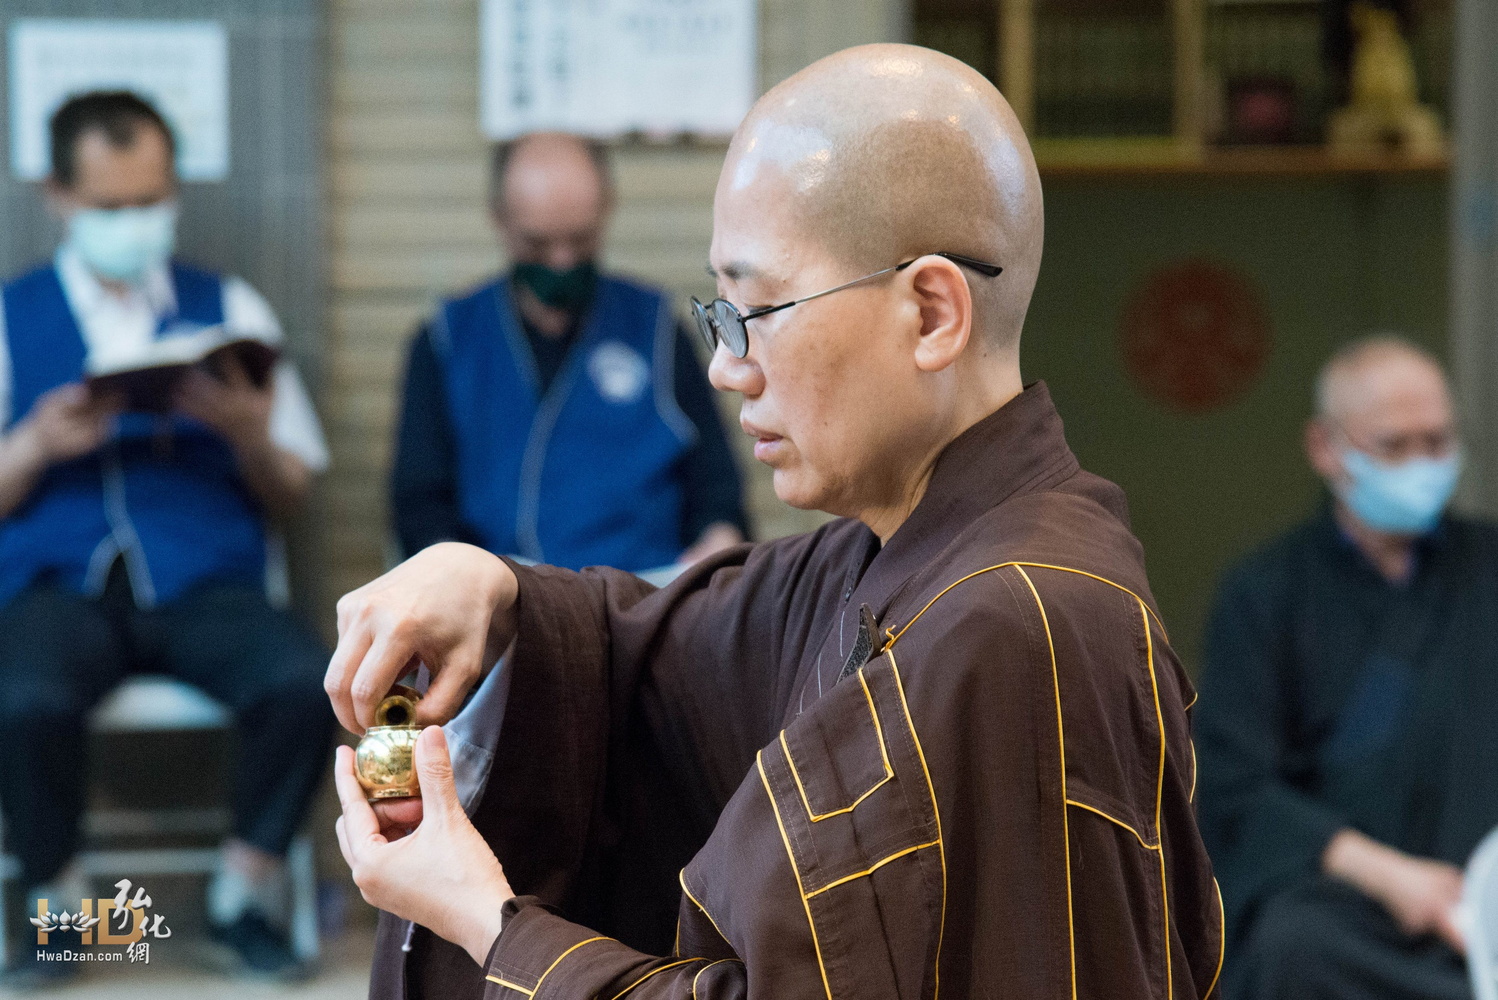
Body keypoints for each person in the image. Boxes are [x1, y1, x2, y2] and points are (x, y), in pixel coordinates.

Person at [329, 44, 1224, 999]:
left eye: (759, 308)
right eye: (721, 314)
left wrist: (486, 920)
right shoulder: (872, 560)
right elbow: (640, 660)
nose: (727, 366)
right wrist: (496, 593)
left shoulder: (1023, 629)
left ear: (930, 313)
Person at [0, 91, 333, 981]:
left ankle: (243, 896)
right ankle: (57, 910)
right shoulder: (10, 316)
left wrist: (245, 429)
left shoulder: (228, 308)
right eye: (111, 206)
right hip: (58, 590)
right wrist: (32, 444)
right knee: (21, 698)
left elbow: (292, 489)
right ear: (57, 195)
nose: (134, 222)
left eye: (150, 199)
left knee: (307, 683)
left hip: (205, 587)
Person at [1196, 335, 1498, 1000]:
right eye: (1394, 446)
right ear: (1325, 448)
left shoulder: (1489, 568)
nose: (1422, 462)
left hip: (1490, 900)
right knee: (1287, 946)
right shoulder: (1267, 593)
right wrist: (1390, 877)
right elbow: (1237, 782)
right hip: (1350, 909)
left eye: (1439, 441)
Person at [391, 132, 748, 574]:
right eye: (539, 245)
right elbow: (419, 510)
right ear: (500, 220)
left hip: (643, 604)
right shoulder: (444, 342)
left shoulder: (656, 329)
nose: (561, 262)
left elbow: (717, 490)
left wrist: (718, 545)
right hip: (503, 610)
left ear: (605, 211)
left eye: (580, 242)